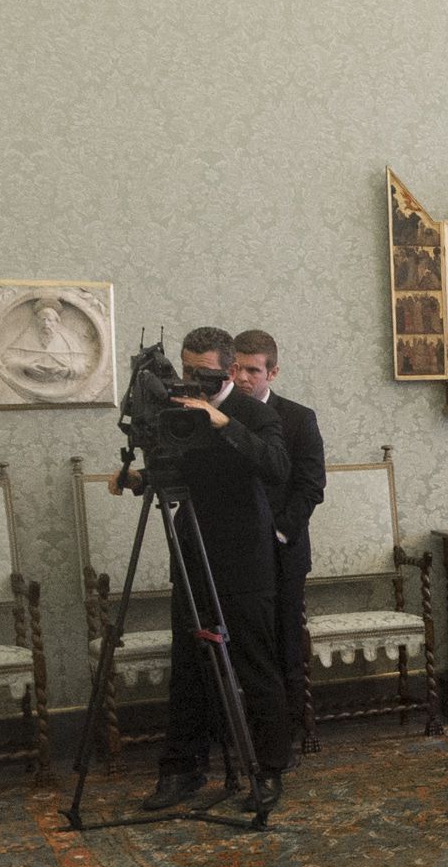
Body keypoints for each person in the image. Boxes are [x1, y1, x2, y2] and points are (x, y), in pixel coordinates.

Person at [114, 326, 293, 808]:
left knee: (255, 667)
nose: (192, 381)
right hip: (193, 551)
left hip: (245, 558)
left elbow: (277, 466)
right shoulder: (177, 409)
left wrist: (222, 423)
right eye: (188, 370)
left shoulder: (255, 413)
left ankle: (269, 772)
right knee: (189, 669)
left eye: (204, 373)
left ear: (230, 370)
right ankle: (182, 770)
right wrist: (139, 479)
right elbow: (178, 472)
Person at [227, 331, 325, 747]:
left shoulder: (298, 418)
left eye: (253, 370)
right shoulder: (218, 415)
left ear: (273, 372)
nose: (243, 378)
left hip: (283, 552)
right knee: (242, 645)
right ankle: (240, 734)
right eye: (236, 369)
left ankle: (287, 736)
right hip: (233, 554)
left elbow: (310, 486)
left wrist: (278, 533)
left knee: (285, 644)